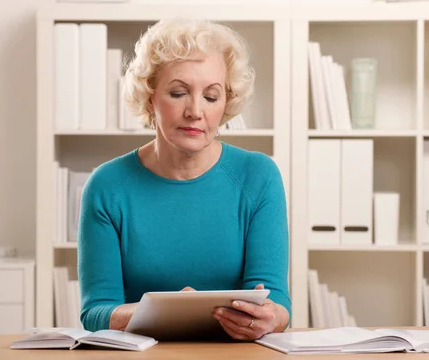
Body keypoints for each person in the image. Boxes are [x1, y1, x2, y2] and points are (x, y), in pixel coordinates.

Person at [77, 17, 291, 341]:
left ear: (227, 103)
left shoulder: (258, 176)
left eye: (211, 96)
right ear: (150, 97)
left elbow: (275, 299)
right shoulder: (107, 186)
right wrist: (166, 310)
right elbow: (96, 313)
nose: (195, 111)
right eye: (179, 93)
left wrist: (270, 317)